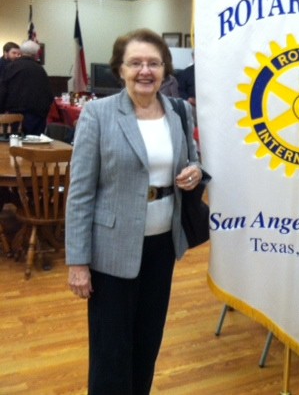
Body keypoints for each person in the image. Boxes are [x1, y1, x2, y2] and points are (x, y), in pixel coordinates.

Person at [65, 28, 204, 395]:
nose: (145, 71)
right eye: (136, 63)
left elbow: (192, 160)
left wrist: (194, 172)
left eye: (154, 63)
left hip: (162, 245)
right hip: (111, 250)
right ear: (121, 69)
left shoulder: (179, 111)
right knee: (111, 350)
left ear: (165, 70)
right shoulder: (98, 114)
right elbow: (80, 193)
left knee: (147, 342)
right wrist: (78, 262)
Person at [0, 40, 53, 135]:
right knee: (34, 142)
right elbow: (48, 94)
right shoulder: (40, 69)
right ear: (36, 54)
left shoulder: (11, 67)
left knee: (13, 141)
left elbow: (3, 90)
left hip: (14, 115)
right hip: (37, 115)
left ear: (21, 52)